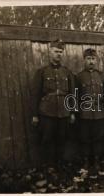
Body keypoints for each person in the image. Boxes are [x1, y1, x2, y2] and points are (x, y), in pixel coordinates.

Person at [31, 39, 75, 167]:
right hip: (47, 112)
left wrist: (72, 112)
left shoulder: (67, 72)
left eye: (61, 52)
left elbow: (72, 94)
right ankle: (47, 167)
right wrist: (34, 114)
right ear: (50, 52)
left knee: (62, 140)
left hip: (63, 112)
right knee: (47, 140)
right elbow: (35, 94)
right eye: (56, 51)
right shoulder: (42, 72)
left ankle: (59, 165)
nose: (59, 54)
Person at [75, 48, 104, 171]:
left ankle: (97, 162)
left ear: (96, 60)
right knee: (84, 138)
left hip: (100, 113)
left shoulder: (101, 76)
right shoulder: (79, 77)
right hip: (85, 113)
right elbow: (75, 96)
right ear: (84, 60)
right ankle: (86, 162)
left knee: (99, 138)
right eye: (88, 59)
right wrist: (76, 113)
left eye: (93, 59)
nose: (91, 61)